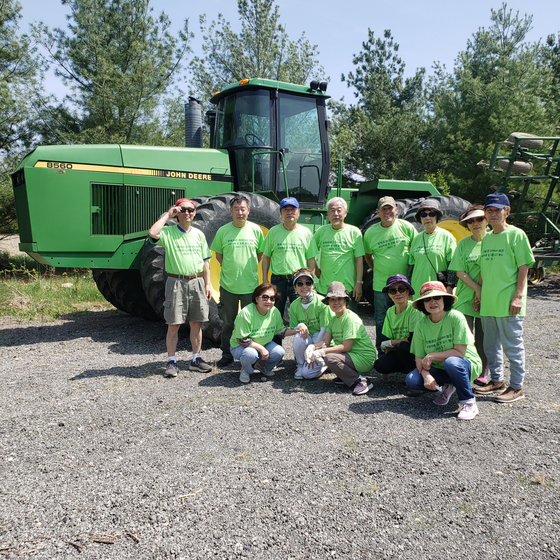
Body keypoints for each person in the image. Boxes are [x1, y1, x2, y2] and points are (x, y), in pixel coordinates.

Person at [473, 193, 534, 403]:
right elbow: (484, 268)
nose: (492, 214)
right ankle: (497, 380)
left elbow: (523, 267)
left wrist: (518, 297)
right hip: (489, 302)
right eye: (489, 210)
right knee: (490, 345)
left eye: (497, 210)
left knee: (512, 346)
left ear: (506, 211)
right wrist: (478, 293)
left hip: (509, 303)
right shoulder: (487, 238)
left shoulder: (517, 235)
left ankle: (516, 387)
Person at [148, 198, 213, 377]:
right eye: (183, 210)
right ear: (178, 212)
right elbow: (153, 232)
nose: (187, 213)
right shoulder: (168, 232)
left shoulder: (199, 234)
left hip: (197, 281)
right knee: (174, 323)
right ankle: (171, 361)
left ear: (194, 213)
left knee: (196, 322)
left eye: (191, 210)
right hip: (176, 282)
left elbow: (206, 262)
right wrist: (167, 215)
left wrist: (208, 284)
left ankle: (196, 359)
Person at [405, 281, 482, 420]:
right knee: (412, 380)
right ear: (422, 304)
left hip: (465, 365)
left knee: (452, 362)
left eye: (437, 297)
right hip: (441, 368)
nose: (432, 302)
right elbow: (418, 357)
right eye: (427, 299)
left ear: (444, 299)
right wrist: (426, 375)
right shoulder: (421, 325)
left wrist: (432, 355)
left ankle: (469, 402)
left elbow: (460, 353)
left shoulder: (456, 317)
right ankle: (450, 385)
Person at [211, 195, 264, 367]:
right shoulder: (222, 231)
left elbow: (260, 254)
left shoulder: (256, 230)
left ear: (248, 211)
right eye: (236, 209)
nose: (240, 212)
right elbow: (219, 256)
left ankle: (253, 355)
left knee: (252, 324)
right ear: (231, 211)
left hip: (250, 287)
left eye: (243, 209)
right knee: (228, 323)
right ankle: (227, 354)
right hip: (228, 287)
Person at [364, 196, 417, 354]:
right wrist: (375, 268)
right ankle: (382, 353)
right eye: (383, 209)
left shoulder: (407, 227)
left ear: (396, 210)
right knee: (381, 320)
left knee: (407, 319)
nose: (387, 212)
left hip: (404, 286)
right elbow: (368, 255)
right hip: (381, 284)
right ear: (378, 212)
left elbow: (416, 251)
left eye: (390, 208)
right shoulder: (370, 233)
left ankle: (408, 353)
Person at [306, 281, 376, 396]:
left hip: (364, 358)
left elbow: (346, 347)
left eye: (339, 299)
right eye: (332, 299)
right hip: (352, 356)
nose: (336, 302)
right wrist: (312, 347)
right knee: (328, 352)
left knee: (330, 357)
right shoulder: (334, 319)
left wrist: (322, 351)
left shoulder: (350, 318)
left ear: (345, 300)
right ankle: (346, 376)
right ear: (328, 302)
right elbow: (325, 341)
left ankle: (361, 380)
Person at [449, 205, 490, 385]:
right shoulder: (463, 244)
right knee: (462, 337)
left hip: (489, 298)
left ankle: (484, 370)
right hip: (465, 297)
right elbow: (459, 272)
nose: (475, 223)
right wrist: (477, 290)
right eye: (471, 221)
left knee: (484, 337)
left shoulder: (493, 242)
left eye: (479, 219)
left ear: (486, 220)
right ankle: (464, 368)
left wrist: (482, 292)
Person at [262, 197, 316, 320]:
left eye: (293, 209)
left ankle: (303, 339)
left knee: (303, 314)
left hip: (299, 280)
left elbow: (311, 260)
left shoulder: (306, 233)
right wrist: (265, 278)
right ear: (281, 213)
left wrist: (310, 281)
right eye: (286, 210)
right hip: (277, 280)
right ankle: (275, 339)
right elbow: (266, 257)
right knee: (274, 315)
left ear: (299, 213)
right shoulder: (273, 232)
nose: (289, 212)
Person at [313, 197, 365, 310]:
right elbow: (310, 253)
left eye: (339, 210)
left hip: (347, 288)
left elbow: (359, 259)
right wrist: (315, 269)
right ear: (327, 213)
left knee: (348, 322)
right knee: (325, 324)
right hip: (325, 288)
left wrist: (358, 283)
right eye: (332, 210)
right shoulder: (321, 232)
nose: (335, 213)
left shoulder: (354, 232)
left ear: (345, 213)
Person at [230, 283, 286, 384]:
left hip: (262, 343)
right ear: (256, 299)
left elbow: (280, 331)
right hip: (240, 346)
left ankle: (261, 365)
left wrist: (298, 330)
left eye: (272, 298)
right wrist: (261, 348)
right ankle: (245, 369)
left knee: (279, 352)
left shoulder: (274, 311)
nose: (268, 301)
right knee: (250, 354)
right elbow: (242, 340)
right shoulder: (246, 313)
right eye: (264, 297)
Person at [284, 268, 333, 379]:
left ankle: (324, 362)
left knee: (308, 375)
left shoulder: (322, 302)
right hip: (308, 337)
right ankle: (300, 365)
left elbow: (324, 329)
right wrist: (300, 325)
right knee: (298, 336)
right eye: (300, 283)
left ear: (312, 285)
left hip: (322, 339)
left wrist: (314, 348)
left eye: (308, 283)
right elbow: (294, 327)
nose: (304, 286)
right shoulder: (294, 305)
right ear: (295, 287)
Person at [374, 275, 421, 376]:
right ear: (389, 295)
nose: (398, 293)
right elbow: (388, 337)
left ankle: (416, 373)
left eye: (402, 289)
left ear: (408, 291)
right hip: (400, 350)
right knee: (379, 365)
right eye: (393, 290)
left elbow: (413, 339)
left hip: (417, 351)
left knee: (401, 346)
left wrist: (391, 342)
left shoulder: (414, 309)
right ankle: (406, 368)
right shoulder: (390, 311)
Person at [408, 198, 456, 298]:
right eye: (423, 215)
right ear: (420, 218)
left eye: (432, 214)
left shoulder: (446, 236)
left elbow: (453, 264)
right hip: (418, 288)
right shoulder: (416, 239)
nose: (427, 217)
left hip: (437, 289)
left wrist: (450, 286)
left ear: (437, 217)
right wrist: (409, 289)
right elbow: (411, 266)